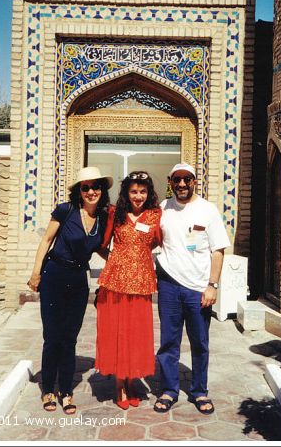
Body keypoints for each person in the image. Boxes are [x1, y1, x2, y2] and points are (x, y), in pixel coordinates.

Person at [27, 166, 113, 415]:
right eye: (85, 187)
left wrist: (121, 263)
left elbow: (98, 248)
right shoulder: (66, 210)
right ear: (79, 191)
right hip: (54, 274)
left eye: (95, 186)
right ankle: (48, 390)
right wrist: (35, 273)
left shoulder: (103, 218)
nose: (91, 191)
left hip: (78, 279)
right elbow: (46, 241)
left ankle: (66, 390)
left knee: (69, 337)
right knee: (52, 336)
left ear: (102, 190)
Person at [154, 162, 231, 415]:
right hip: (168, 285)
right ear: (170, 182)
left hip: (198, 288)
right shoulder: (163, 209)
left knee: (199, 342)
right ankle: (169, 390)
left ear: (195, 181)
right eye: (177, 180)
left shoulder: (207, 210)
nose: (182, 184)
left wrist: (212, 285)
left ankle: (199, 391)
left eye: (187, 179)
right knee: (168, 342)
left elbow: (218, 250)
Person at [95, 171, 161, 409]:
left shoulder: (155, 215)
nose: (138, 196)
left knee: (136, 333)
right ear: (126, 193)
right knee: (118, 331)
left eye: (143, 191)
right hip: (116, 284)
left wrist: (139, 257)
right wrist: (116, 261)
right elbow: (101, 245)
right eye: (134, 191)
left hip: (141, 283)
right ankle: (119, 385)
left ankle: (132, 379)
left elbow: (157, 242)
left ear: (149, 193)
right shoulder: (116, 214)